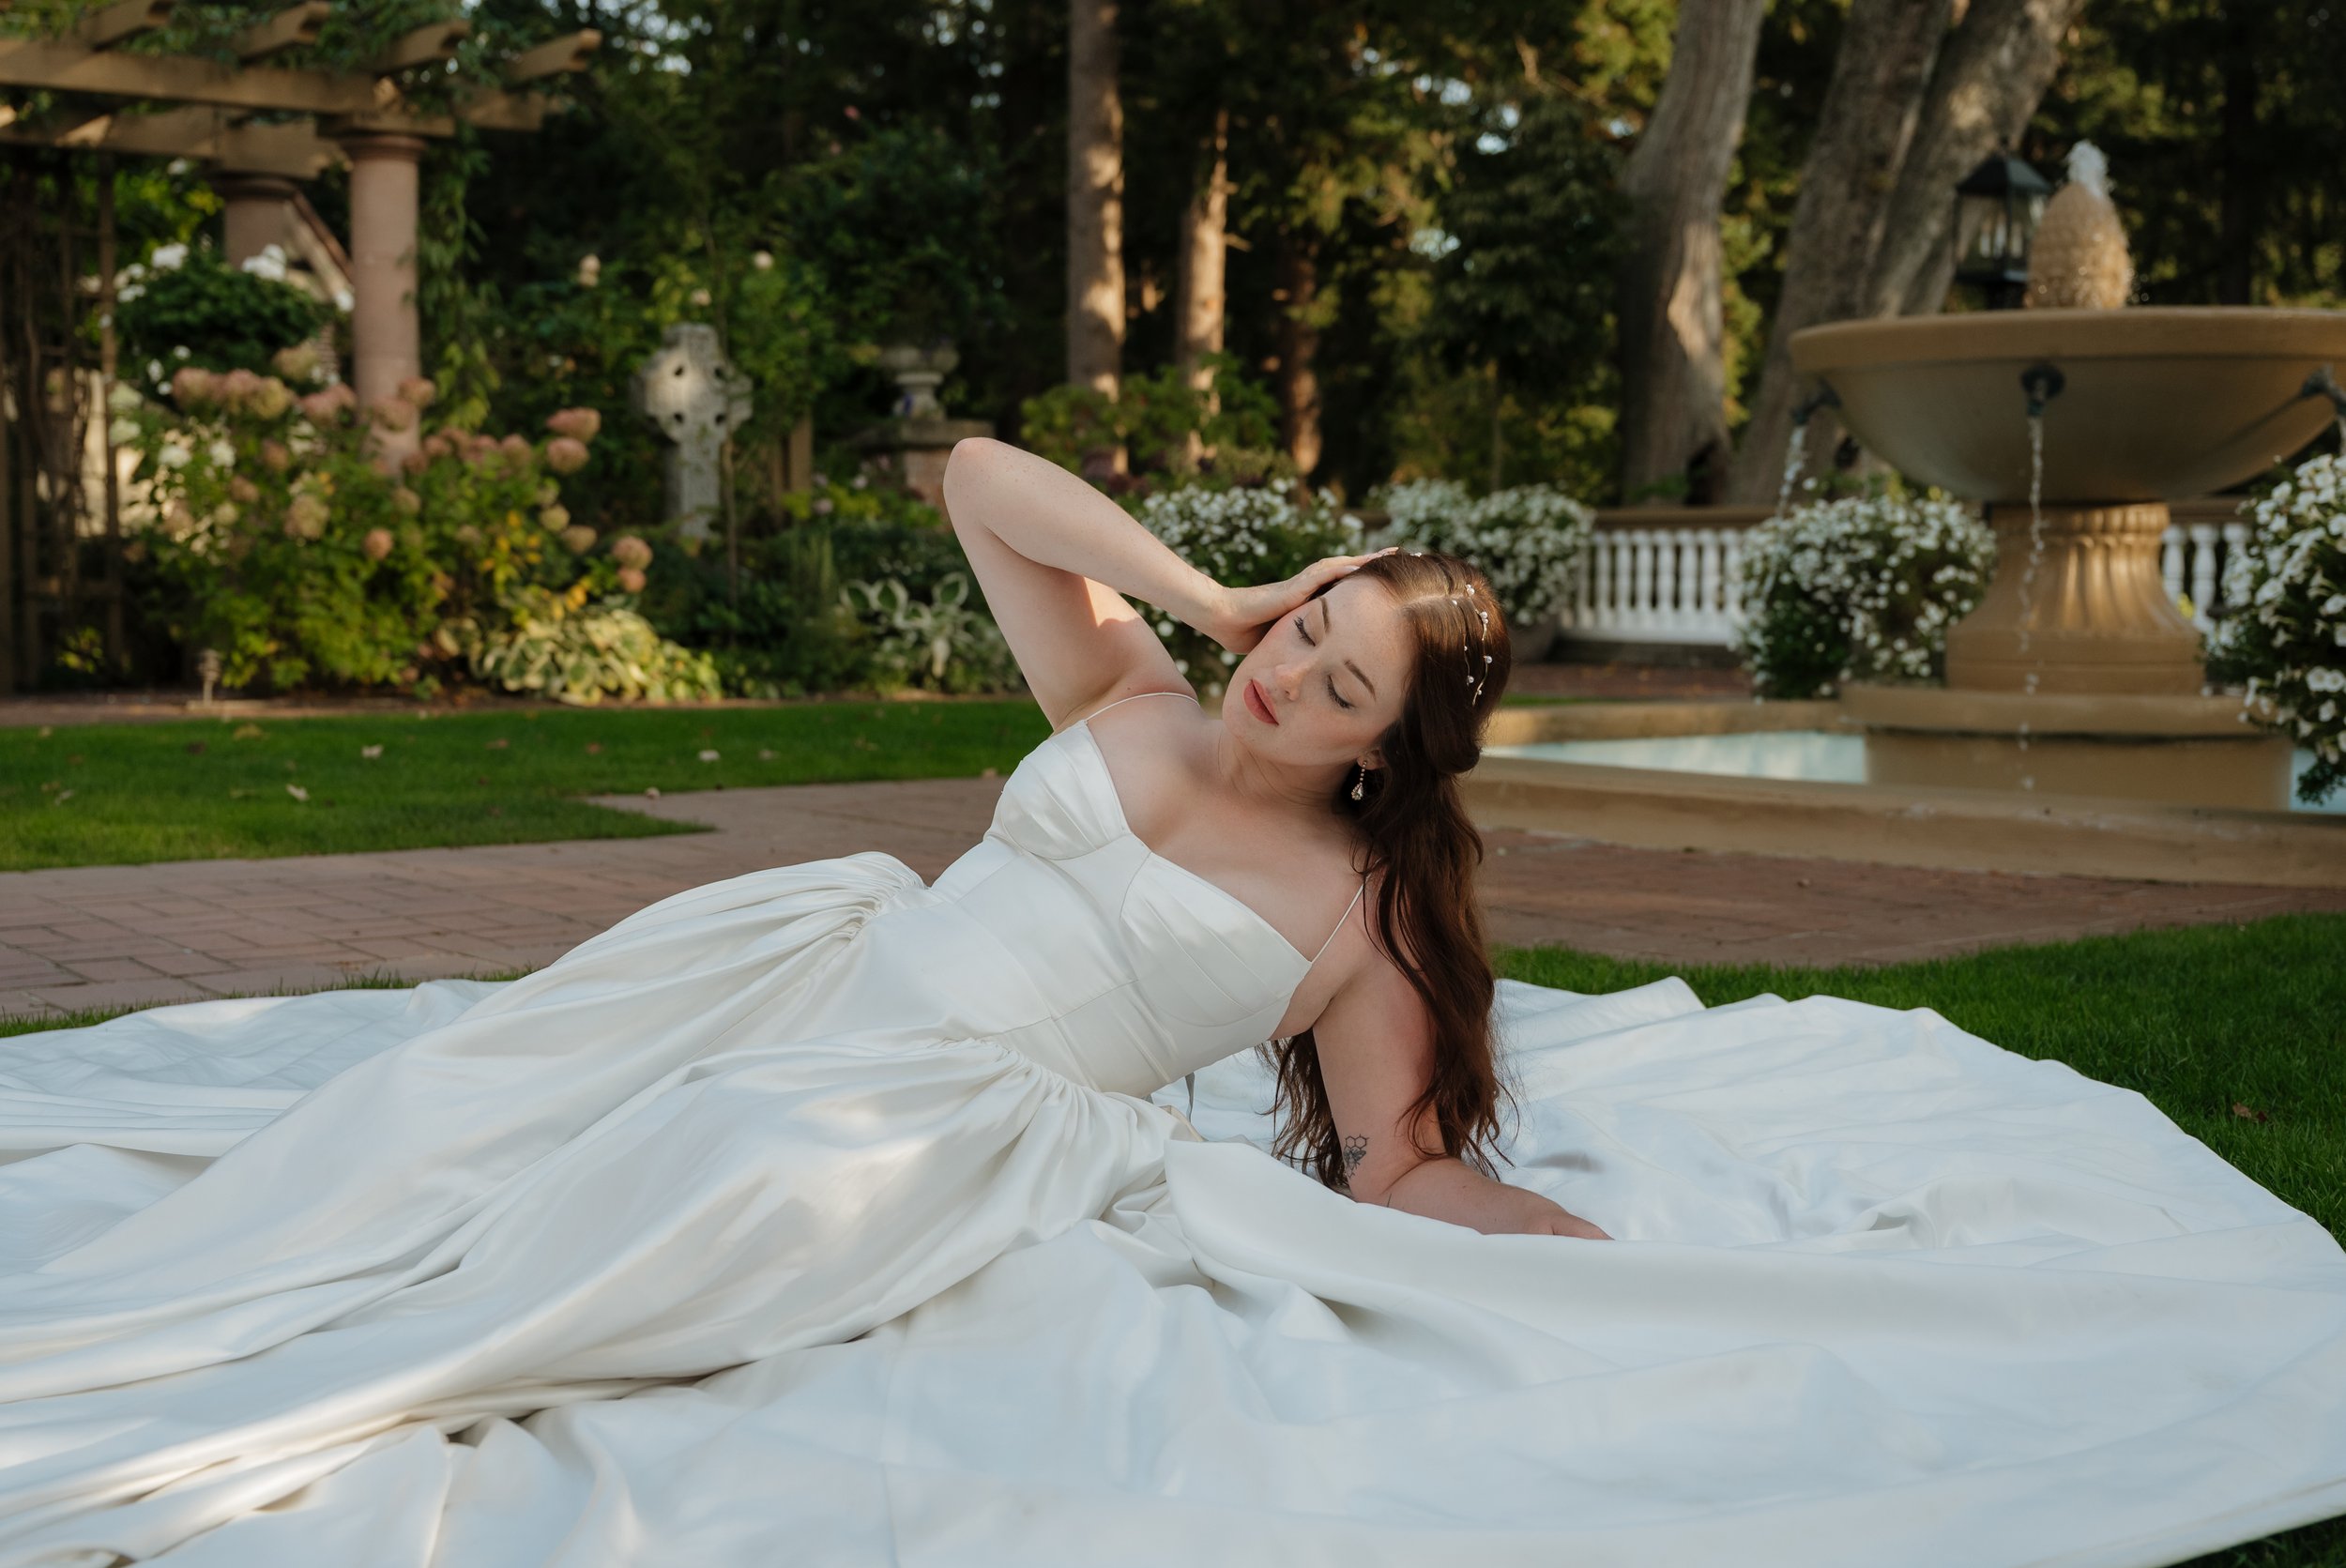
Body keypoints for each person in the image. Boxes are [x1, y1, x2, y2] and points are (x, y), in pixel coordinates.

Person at [0, 438, 2340, 1565]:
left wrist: (1563, 1248)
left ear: (1380, 753)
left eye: (1339, 678)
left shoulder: (1352, 906)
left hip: (936, 1117)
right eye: (1306, 620)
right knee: (418, 1120)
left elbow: (1397, 1154)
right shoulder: (1130, 690)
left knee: (684, 1208)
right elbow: (976, 478)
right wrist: (1212, 587)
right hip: (807, 971)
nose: (1293, 670)